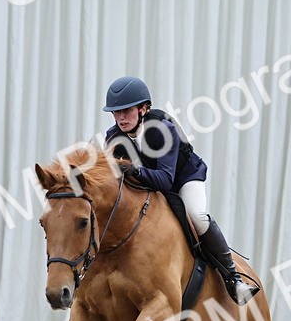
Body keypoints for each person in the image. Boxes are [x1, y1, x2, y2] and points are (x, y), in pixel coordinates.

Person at [102, 75, 256, 306]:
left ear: (143, 109)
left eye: (127, 110)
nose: (121, 118)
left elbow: (165, 180)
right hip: (148, 185)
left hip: (183, 179)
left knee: (196, 216)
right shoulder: (113, 138)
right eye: (116, 112)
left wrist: (134, 171)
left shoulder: (162, 129)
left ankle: (234, 279)